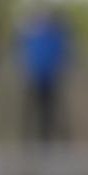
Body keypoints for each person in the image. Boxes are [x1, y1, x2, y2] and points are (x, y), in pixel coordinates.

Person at [18, 8, 71, 142]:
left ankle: (49, 140)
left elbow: (63, 55)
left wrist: (60, 70)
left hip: (50, 78)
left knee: (49, 111)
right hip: (33, 76)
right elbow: (22, 53)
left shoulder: (57, 35)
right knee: (29, 111)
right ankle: (27, 140)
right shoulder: (29, 34)